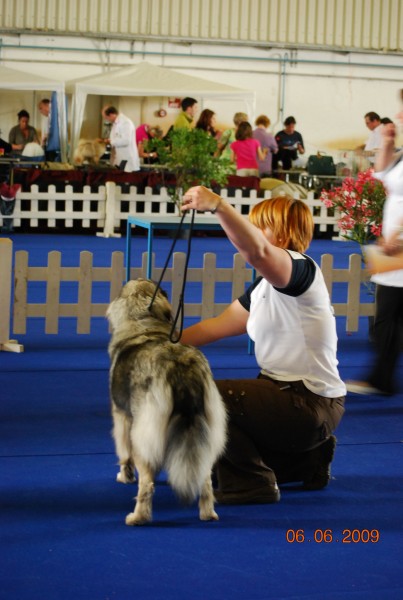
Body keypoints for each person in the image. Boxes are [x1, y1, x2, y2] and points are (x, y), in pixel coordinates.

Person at [180, 188, 346, 504]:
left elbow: (256, 252)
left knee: (201, 396)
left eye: (260, 226)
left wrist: (217, 205)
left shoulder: (301, 269)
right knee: (216, 458)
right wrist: (162, 342)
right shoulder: (264, 286)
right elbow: (216, 326)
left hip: (307, 402)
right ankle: (307, 459)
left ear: (282, 235)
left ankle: (253, 484)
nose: (253, 233)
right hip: (290, 401)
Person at [346, 96, 403, 396]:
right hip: (393, 251)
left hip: (399, 249)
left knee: (387, 319)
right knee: (389, 318)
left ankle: (381, 379)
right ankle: (382, 378)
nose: (398, 114)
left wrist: (399, 234)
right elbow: (382, 174)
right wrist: (387, 140)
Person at [102, 106, 140, 172]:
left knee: (125, 180)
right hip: (118, 159)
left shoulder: (125, 123)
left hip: (126, 159)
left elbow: (126, 141)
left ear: (111, 115)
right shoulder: (115, 123)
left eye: (106, 117)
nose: (106, 120)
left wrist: (111, 142)